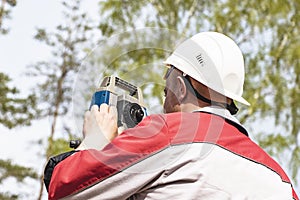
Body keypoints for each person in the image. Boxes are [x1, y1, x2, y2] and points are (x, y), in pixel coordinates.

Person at [46, 32, 299, 200]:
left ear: (180, 85)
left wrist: (94, 141)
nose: (164, 89)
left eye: (167, 77)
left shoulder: (168, 133)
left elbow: (64, 187)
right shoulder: (281, 181)